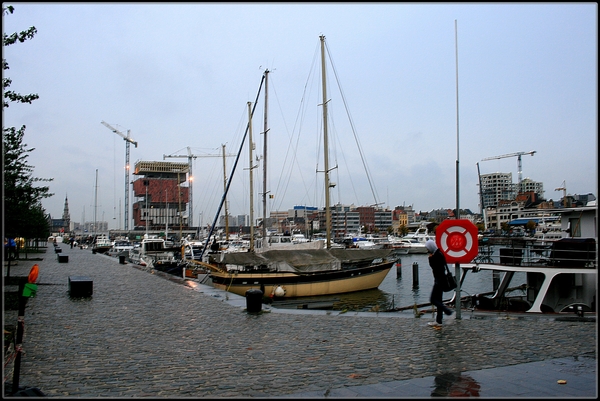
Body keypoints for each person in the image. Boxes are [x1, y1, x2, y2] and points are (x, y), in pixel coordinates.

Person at [425, 239, 453, 327]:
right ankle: (439, 321)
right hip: (441, 279)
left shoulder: (436, 255)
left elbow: (434, 267)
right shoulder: (439, 253)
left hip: (439, 280)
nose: (427, 250)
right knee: (439, 300)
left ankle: (449, 312)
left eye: (428, 248)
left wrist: (430, 259)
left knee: (433, 299)